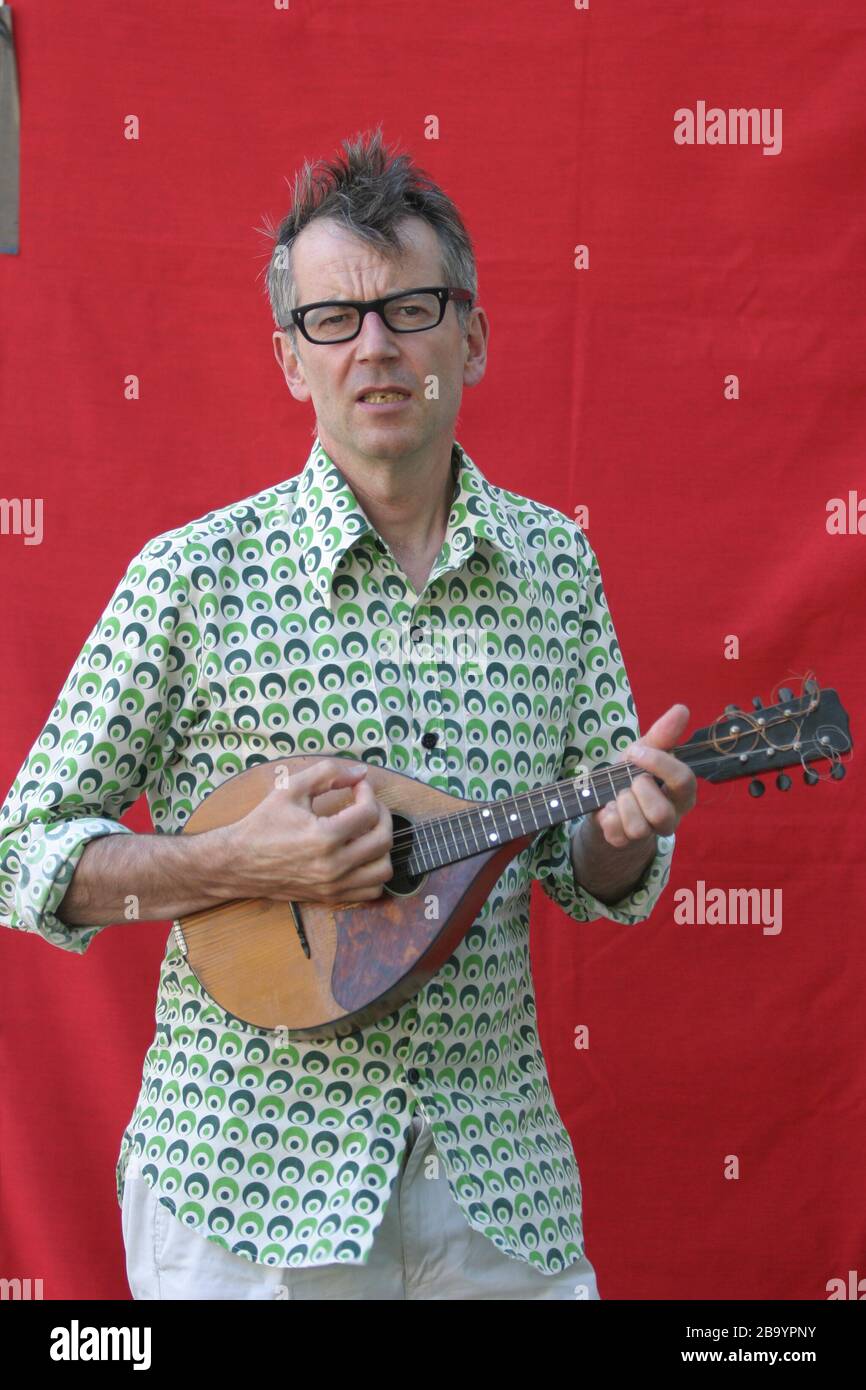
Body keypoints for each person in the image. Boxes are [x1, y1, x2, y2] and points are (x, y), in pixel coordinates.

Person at [0, 127, 697, 1300]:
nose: (374, 347)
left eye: (409, 309)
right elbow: (21, 851)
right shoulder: (192, 576)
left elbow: (585, 875)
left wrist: (622, 836)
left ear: (468, 336)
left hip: (497, 1199)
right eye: (334, 319)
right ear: (289, 358)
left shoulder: (555, 567)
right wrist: (232, 858)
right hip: (245, 1199)